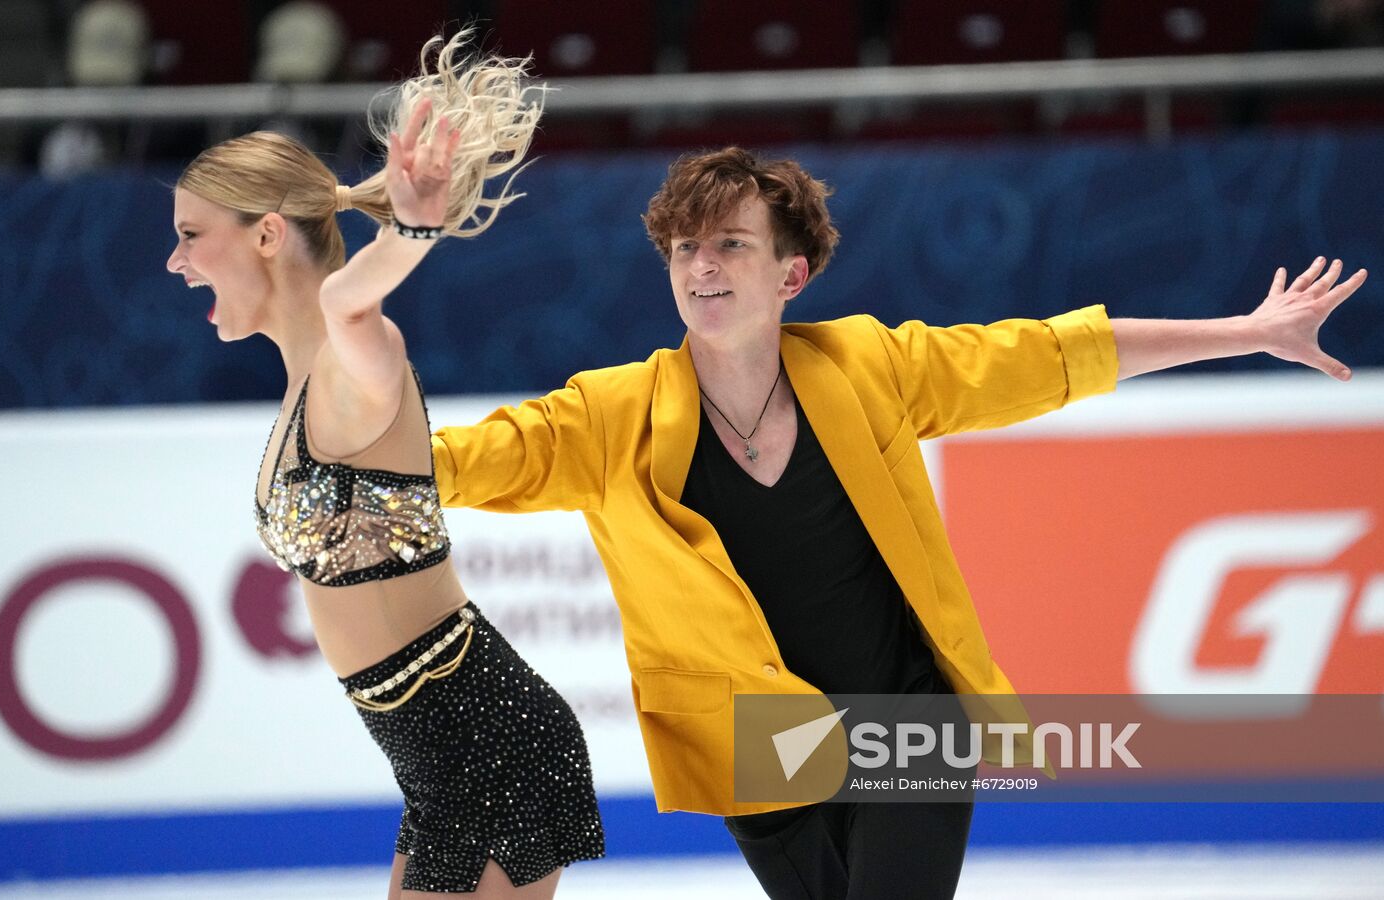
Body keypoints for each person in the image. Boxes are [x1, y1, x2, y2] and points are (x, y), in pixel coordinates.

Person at [429, 147, 1366, 899]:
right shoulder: (610, 416)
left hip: (906, 724)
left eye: (730, 245)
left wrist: (1242, 333)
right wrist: (340, 464)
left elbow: (1045, 355)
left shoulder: (868, 367)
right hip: (761, 746)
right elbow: (468, 461)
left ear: (791, 273)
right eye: (685, 250)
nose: (702, 266)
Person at [164, 32, 604, 899]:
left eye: (189, 234)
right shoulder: (305, 384)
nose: (175, 261)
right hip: (444, 760)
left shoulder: (351, 363)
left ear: (265, 236)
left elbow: (354, 303)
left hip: (487, 742)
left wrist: (409, 230)